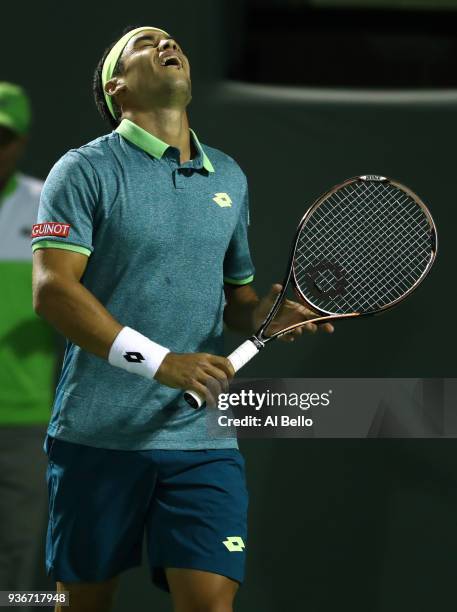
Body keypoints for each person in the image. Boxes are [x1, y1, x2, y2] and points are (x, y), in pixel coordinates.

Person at [31, 26, 333, 612]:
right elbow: (53, 292)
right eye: (144, 42)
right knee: (79, 605)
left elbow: (236, 300)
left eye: (170, 39)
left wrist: (270, 314)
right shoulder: (83, 170)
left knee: (210, 605)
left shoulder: (229, 176)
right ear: (116, 85)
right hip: (98, 434)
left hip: (200, 439)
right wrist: (162, 363)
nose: (166, 44)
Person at [0, 82, 58, 603]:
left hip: (22, 421)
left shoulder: (47, 207)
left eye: (1, 137)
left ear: (20, 141)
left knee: (17, 557)